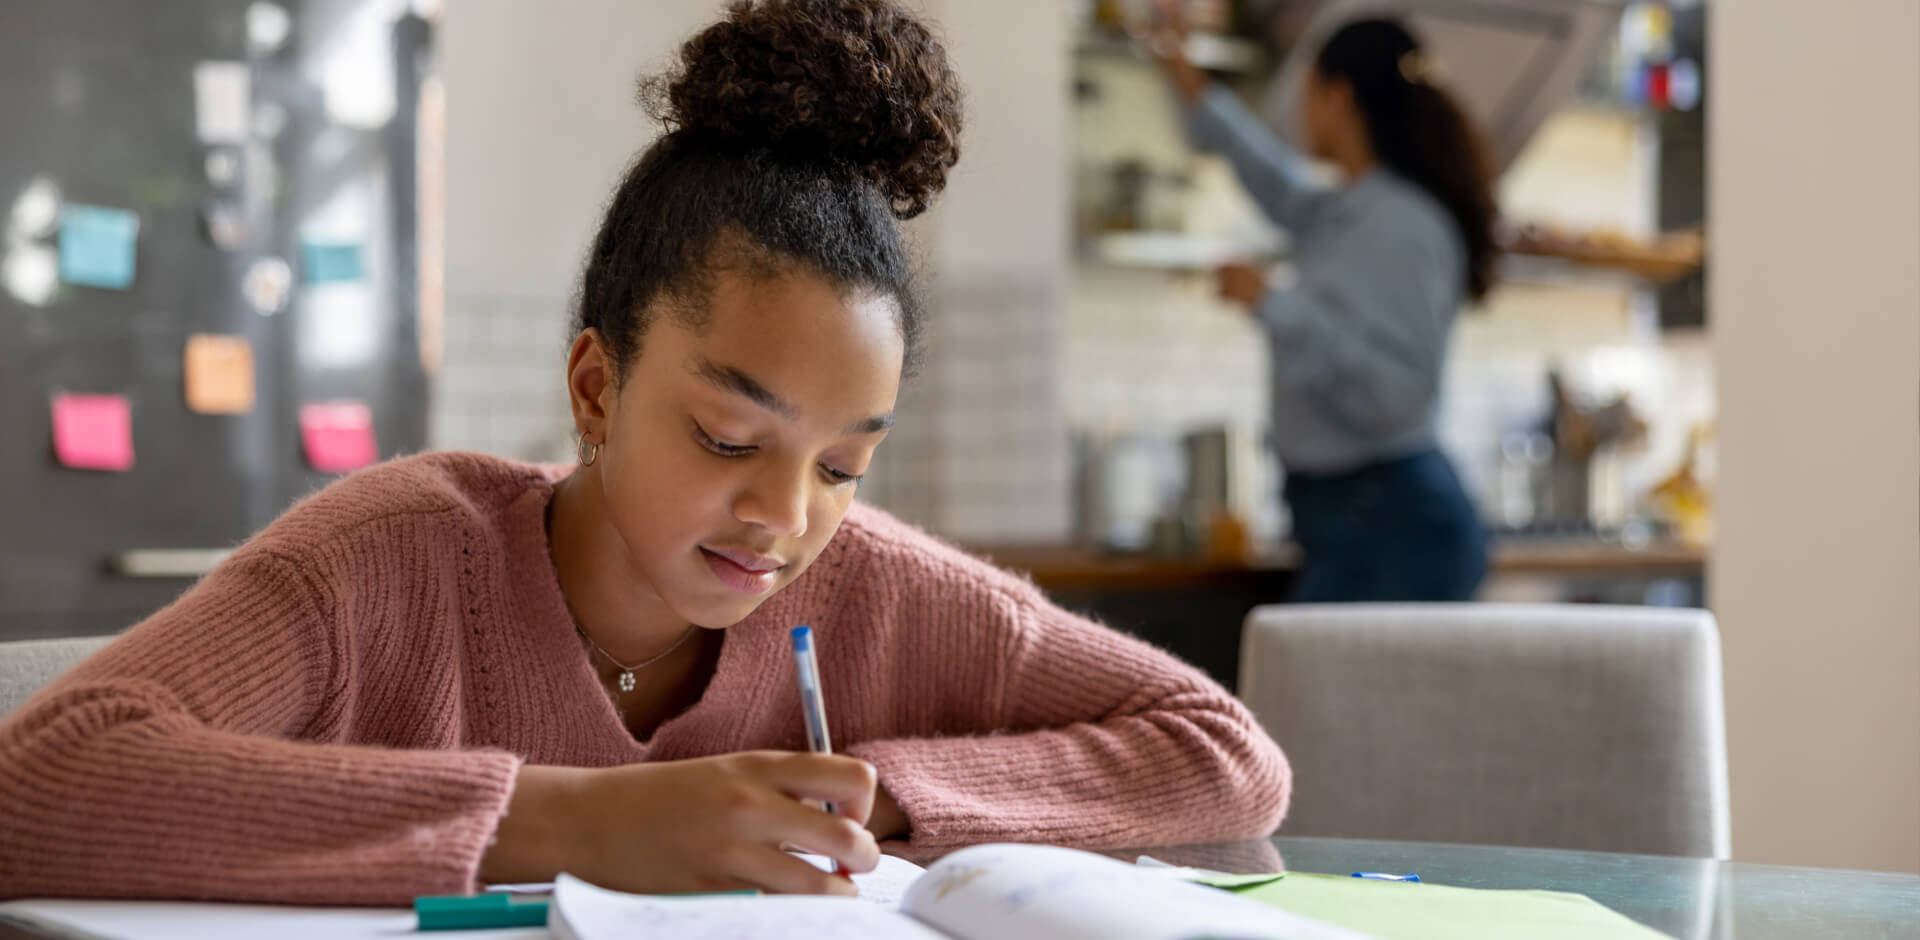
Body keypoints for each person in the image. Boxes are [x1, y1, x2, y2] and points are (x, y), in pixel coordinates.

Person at [0, 0, 1287, 906]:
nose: (785, 516)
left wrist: (872, 795)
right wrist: (574, 821)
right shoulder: (389, 562)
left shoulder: (889, 596)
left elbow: (1224, 751)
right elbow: (36, 779)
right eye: (730, 435)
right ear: (595, 385)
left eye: (843, 464)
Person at [1152, 11, 1495, 602]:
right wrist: (1189, 78)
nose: (1298, 111)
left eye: (1306, 91)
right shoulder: (1346, 212)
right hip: (1351, 521)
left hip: (1395, 530)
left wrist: (1271, 304)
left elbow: (1400, 394)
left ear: (1339, 97)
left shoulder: (1403, 227)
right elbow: (1272, 179)